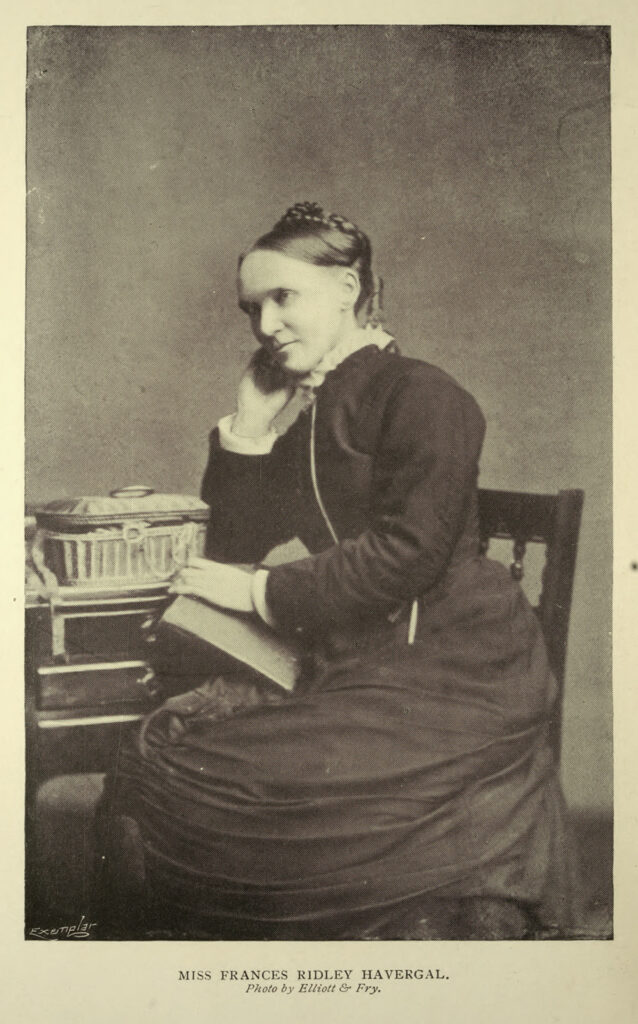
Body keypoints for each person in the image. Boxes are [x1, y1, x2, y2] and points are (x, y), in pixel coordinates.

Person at [103, 201, 579, 940]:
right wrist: (251, 429)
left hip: (456, 664)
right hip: (363, 651)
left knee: (240, 778)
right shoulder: (318, 410)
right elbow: (238, 540)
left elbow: (409, 553)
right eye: (251, 309)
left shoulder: (425, 394)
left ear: (348, 289)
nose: (265, 326)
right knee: (173, 755)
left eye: (282, 297)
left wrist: (258, 591)